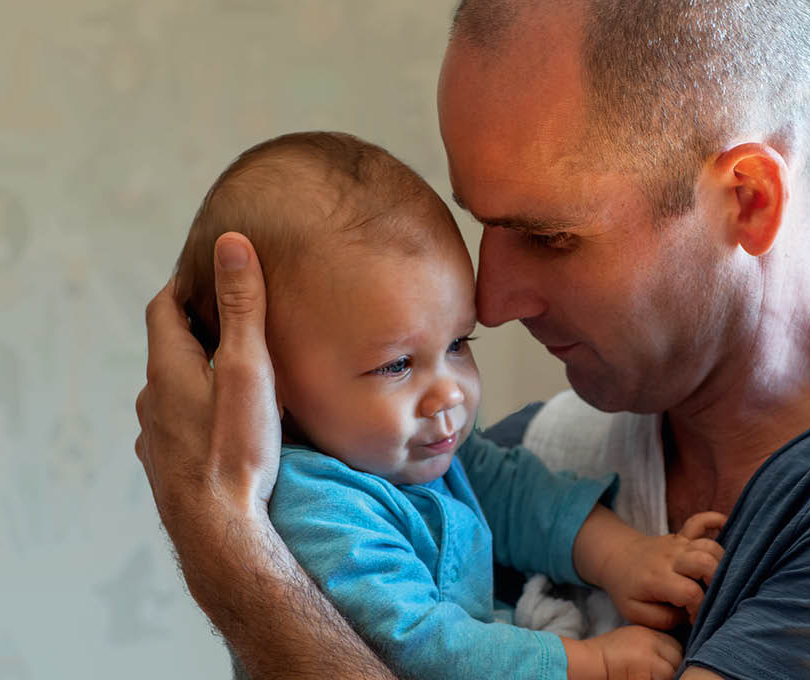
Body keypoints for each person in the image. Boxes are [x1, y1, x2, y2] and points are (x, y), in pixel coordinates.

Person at [135, 1, 810, 678]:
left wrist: (228, 541)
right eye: (482, 224)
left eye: (549, 235)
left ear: (749, 201)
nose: (492, 294)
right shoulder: (511, 463)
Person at [170, 130, 724, 680]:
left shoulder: (411, 449)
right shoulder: (315, 508)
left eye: (458, 344)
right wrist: (586, 663)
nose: (450, 393)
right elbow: (421, 647)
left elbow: (515, 495)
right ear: (270, 382)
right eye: (396, 365)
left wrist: (624, 558)